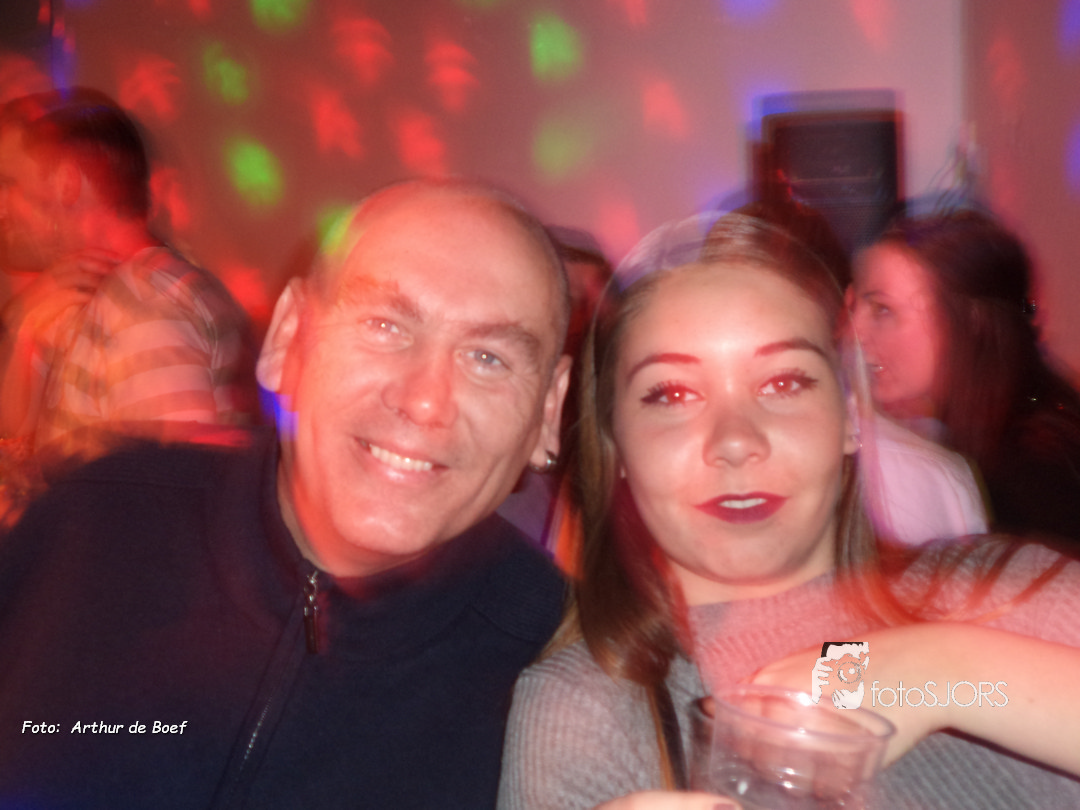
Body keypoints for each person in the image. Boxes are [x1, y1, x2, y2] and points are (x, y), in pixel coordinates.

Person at [0, 178, 571, 809]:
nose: (426, 401)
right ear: (287, 338)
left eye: (488, 358)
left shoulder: (559, 665)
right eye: (384, 325)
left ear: (548, 411)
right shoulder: (92, 530)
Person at [497, 212, 1080, 810]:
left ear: (850, 415)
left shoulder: (1010, 594)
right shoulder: (586, 715)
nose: (736, 440)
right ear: (616, 444)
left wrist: (947, 672)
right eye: (672, 394)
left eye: (783, 383)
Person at [0, 88, 257, 471]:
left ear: (66, 182)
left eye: (13, 183)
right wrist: (27, 326)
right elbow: (13, 430)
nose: (4, 207)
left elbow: (170, 487)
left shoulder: (144, 305)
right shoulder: (94, 291)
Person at [851, 209, 1080, 552]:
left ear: (968, 322)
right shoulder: (981, 434)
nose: (857, 331)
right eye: (856, 306)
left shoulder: (1036, 476)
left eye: (883, 310)